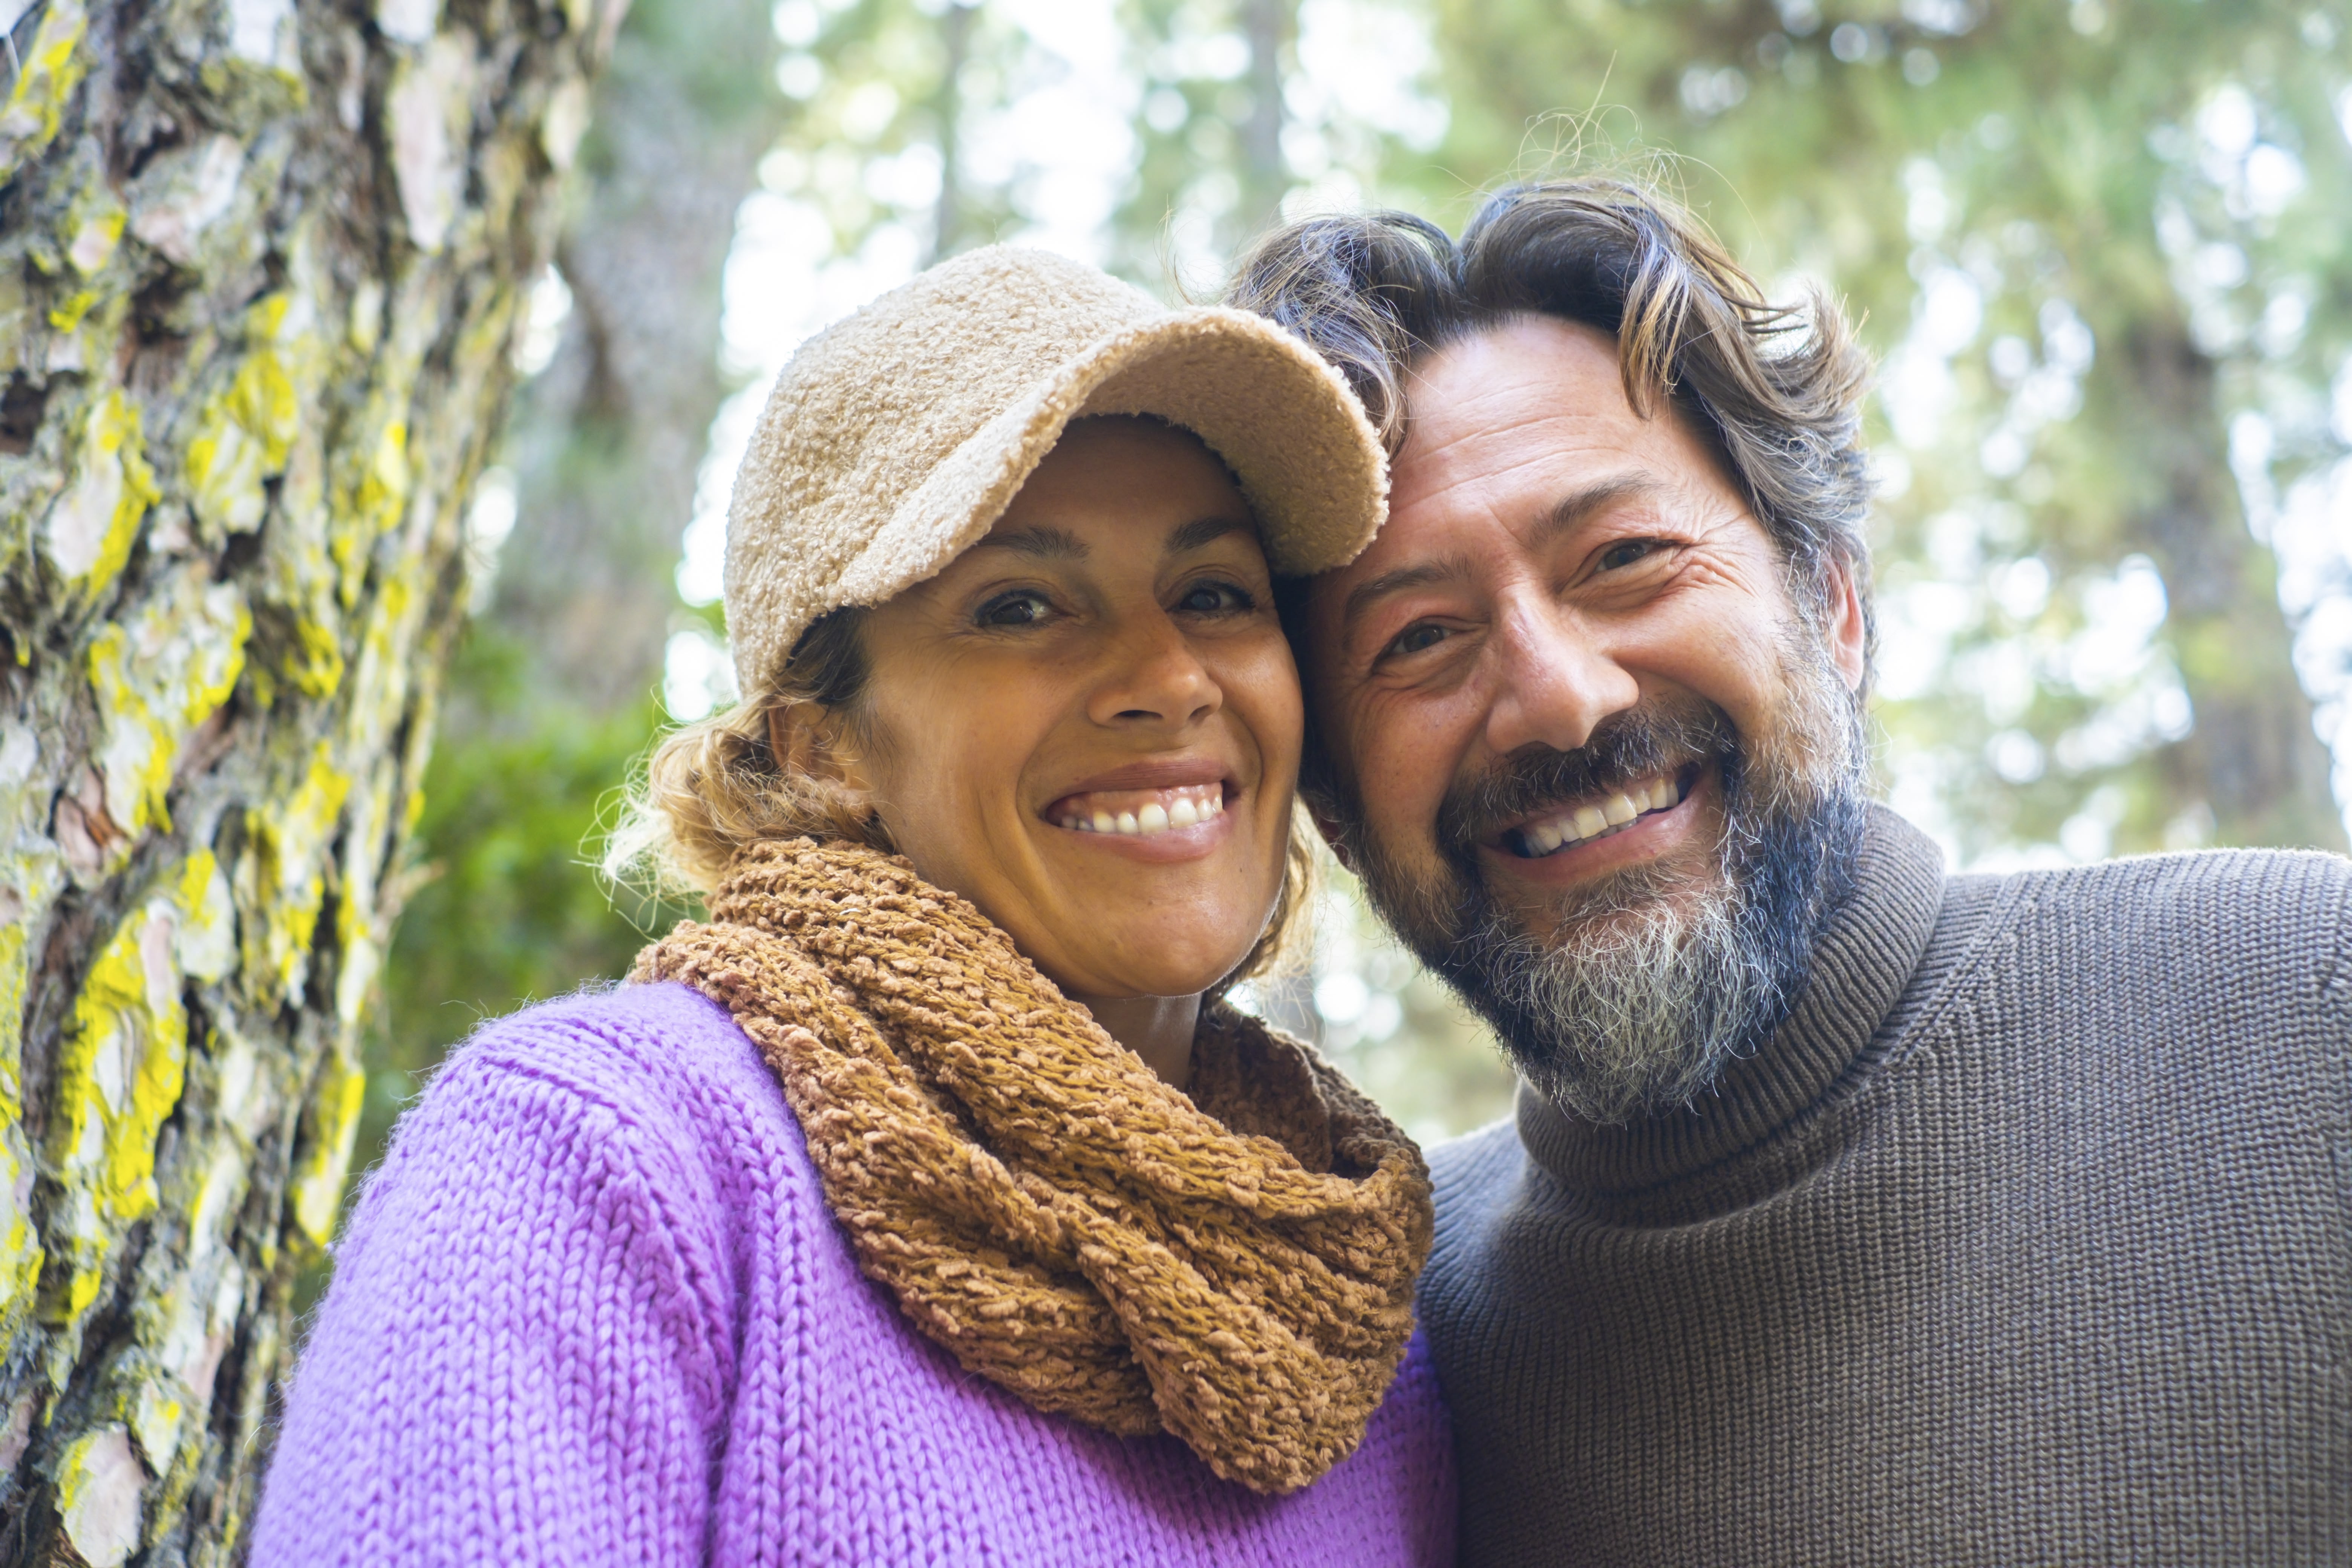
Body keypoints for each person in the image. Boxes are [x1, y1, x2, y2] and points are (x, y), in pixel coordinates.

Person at [251, 246, 1455, 1565]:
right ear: (824, 749)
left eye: (1215, 594)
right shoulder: (605, 1155)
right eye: (1021, 606)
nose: (1168, 678)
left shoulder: (1351, 1293)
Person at [1230, 178, 2352, 1565]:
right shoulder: (1380, 1360)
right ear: (1337, 814)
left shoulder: (2307, 1017)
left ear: (1831, 599)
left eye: (1627, 559)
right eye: (1416, 641)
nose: (1560, 699)